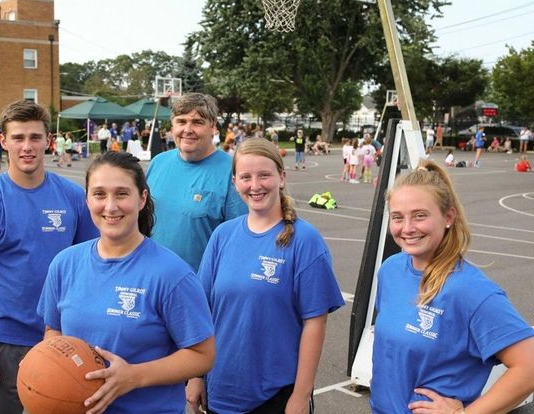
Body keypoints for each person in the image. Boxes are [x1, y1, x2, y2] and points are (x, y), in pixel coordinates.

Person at [38, 152, 215, 413]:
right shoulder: (64, 264)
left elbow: (203, 355)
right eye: (99, 194)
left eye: (121, 194)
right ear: (87, 199)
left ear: (142, 198)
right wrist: (45, 365)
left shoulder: (172, 274)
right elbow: (53, 331)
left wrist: (134, 376)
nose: (110, 206)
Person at [0, 100, 99, 414]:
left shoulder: (73, 197)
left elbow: (91, 267)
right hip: (4, 341)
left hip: (63, 337)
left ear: (48, 141)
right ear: (3, 141)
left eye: (34, 137)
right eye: (18, 138)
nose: (27, 146)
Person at [189, 137, 344, 414]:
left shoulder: (305, 240)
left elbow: (314, 325)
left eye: (264, 175)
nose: (255, 185)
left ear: (281, 177)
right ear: (235, 182)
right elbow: (203, 313)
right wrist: (196, 376)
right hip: (221, 391)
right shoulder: (223, 235)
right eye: (246, 177)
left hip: (275, 396)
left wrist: (300, 395)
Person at [370, 160, 534, 413]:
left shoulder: (471, 291)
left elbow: (529, 365)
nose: (408, 228)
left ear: (448, 217)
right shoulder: (390, 270)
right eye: (397, 218)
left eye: (420, 215)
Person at [146, 93, 248, 271]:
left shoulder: (233, 172)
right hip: (151, 280)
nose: (188, 129)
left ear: (213, 126)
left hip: (199, 290)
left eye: (197, 122)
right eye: (181, 121)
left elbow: (240, 242)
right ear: (172, 125)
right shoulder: (158, 163)